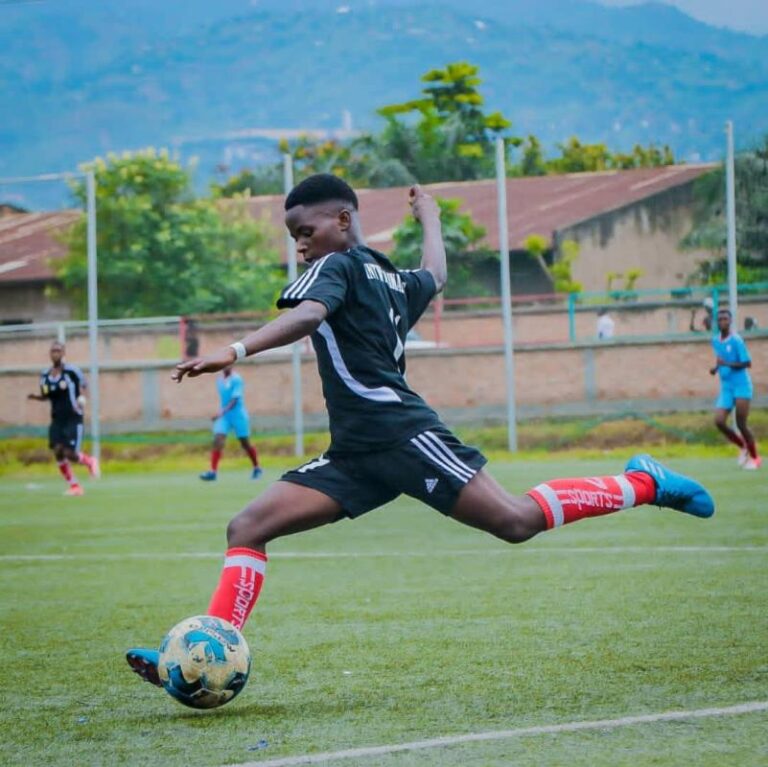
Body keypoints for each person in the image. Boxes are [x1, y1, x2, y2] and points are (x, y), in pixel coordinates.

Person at [126, 174, 715, 686]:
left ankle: (644, 483)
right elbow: (435, 272)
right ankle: (205, 655)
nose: (300, 245)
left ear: (343, 219)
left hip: (404, 435)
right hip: (356, 453)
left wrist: (234, 349)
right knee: (248, 525)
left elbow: (307, 315)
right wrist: (430, 218)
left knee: (514, 521)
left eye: (305, 231)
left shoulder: (339, 268)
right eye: (293, 238)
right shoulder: (390, 277)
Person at [27, 341, 100, 495]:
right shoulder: (45, 375)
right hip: (57, 419)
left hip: (73, 417)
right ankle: (75, 486)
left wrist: (82, 399)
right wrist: (36, 397)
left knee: (70, 453)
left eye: (58, 351)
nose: (55, 354)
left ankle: (90, 461)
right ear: (50, 354)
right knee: (58, 451)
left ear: (63, 353)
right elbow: (47, 395)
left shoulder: (72, 371)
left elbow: (84, 385)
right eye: (53, 351)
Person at [709, 308, 760, 470]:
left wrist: (726, 364)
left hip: (741, 386)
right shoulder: (715, 340)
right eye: (720, 319)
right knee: (719, 421)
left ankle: (755, 458)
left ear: (730, 321)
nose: (723, 322)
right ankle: (742, 446)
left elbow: (747, 363)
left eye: (726, 319)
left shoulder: (737, 340)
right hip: (726, 388)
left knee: (741, 423)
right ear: (717, 322)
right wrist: (716, 368)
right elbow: (722, 359)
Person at [199, 365, 263, 481]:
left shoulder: (237, 379)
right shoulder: (219, 380)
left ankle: (257, 467)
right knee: (218, 439)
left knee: (245, 443)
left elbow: (234, 400)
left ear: (232, 365)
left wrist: (220, 413)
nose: (225, 366)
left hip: (238, 416)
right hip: (225, 417)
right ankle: (213, 472)